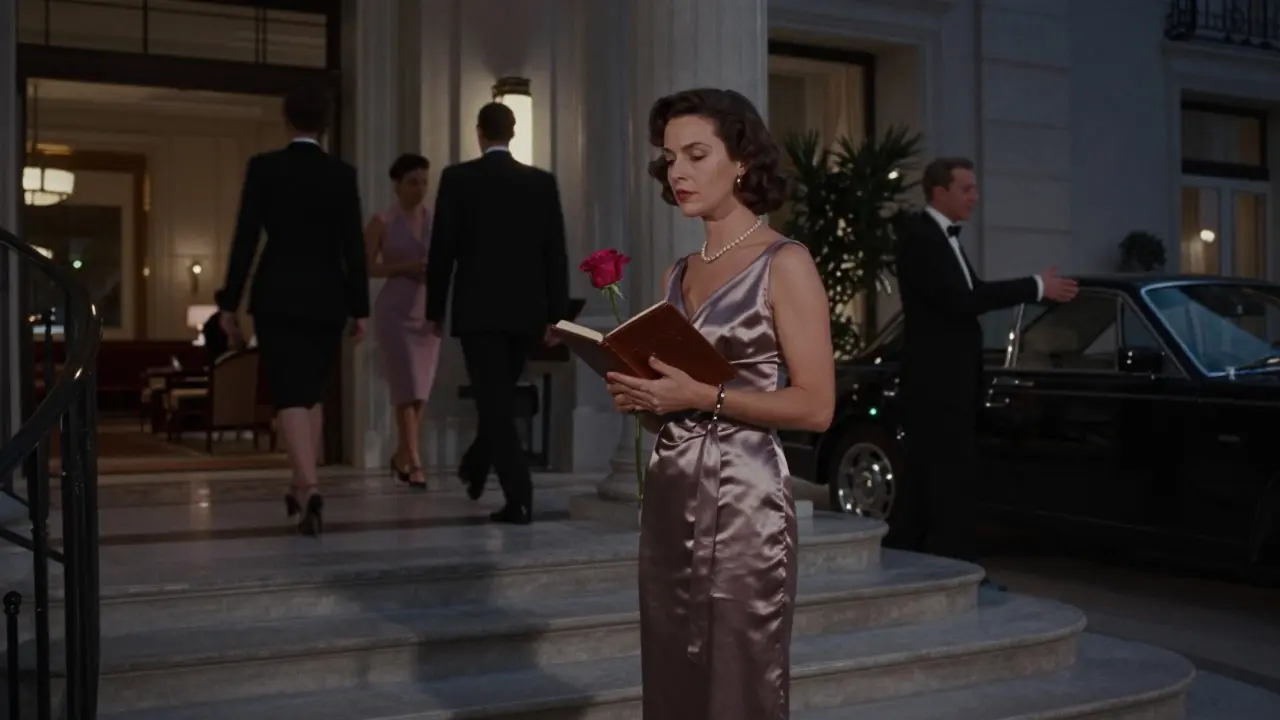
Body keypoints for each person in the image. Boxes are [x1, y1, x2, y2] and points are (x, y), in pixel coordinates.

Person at [605, 88, 835, 720]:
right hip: (672, 488)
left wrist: (701, 395)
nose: (677, 171)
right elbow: (673, 405)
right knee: (672, 666)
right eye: (669, 158)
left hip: (745, 497)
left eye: (696, 154)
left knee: (740, 670)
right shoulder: (676, 274)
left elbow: (817, 407)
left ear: (741, 160)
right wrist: (645, 398)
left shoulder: (785, 262)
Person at [895, 156, 1078, 573]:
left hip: (949, 383)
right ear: (940, 192)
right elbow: (963, 300)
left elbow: (971, 291)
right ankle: (958, 573)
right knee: (948, 482)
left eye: (974, 188)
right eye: (966, 189)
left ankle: (914, 564)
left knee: (928, 481)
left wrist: (1034, 287)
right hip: (936, 385)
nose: (975, 197)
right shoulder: (921, 239)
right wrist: (1035, 286)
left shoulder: (942, 238)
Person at [218, 83, 369, 536]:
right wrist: (360, 308)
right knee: (311, 394)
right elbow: (353, 247)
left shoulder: (265, 168)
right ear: (324, 125)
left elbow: (246, 238)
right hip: (327, 297)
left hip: (277, 294)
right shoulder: (341, 174)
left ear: (287, 120)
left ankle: (310, 485)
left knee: (289, 395)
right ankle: (301, 489)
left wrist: (229, 303)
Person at [425, 102, 569, 525]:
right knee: (498, 399)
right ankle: (475, 465)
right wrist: (557, 315)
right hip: (526, 312)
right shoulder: (541, 182)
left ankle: (519, 496)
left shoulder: (457, 179)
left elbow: (442, 250)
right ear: (513, 131)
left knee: (494, 403)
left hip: (478, 310)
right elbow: (555, 252)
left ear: (479, 132)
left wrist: (435, 308)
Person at [367, 153, 440, 490]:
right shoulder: (382, 221)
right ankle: (415, 460)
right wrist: (403, 268)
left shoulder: (434, 220)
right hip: (395, 312)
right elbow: (367, 266)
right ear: (397, 185)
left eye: (424, 182)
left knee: (420, 392)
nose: (420, 189)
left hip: (427, 311)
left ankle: (401, 455)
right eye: (413, 182)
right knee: (405, 387)